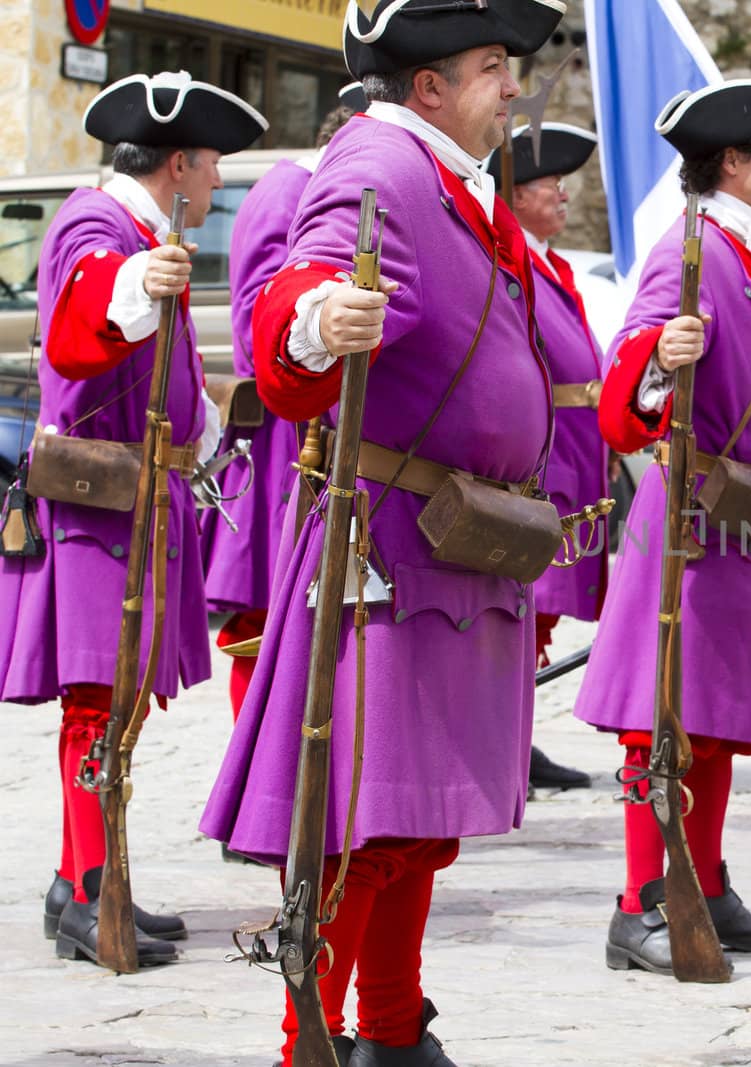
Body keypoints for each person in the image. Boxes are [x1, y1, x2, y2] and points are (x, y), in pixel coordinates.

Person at [200, 0, 565, 1060]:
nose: (512, 86)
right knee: (355, 827)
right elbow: (298, 295)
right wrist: (316, 321)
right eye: (493, 67)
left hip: (451, 541)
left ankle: (394, 1032)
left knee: (410, 826)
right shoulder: (379, 166)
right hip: (392, 546)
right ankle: (303, 1043)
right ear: (429, 87)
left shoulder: (444, 173)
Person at [574, 79, 751, 972]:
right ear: (733, 162)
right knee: (662, 719)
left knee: (717, 716)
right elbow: (623, 406)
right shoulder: (689, 251)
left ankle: (705, 882)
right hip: (694, 519)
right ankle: (642, 901)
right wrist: (658, 356)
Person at [0, 70, 264, 967]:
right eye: (213, 162)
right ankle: (87, 889)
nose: (219, 180)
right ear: (178, 161)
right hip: (97, 503)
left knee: (115, 703)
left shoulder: (145, 231)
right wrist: (132, 287)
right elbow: (78, 330)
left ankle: (85, 875)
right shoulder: (98, 225)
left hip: (136, 501)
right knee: (96, 703)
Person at [201, 89, 365, 726]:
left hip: (310, 440)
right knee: (268, 621)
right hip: (283, 446)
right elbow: (256, 333)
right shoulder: (287, 191)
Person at [485, 120, 606, 793]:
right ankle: (503, 741)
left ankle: (517, 739)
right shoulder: (512, 258)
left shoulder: (547, 259)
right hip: (544, 450)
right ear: (513, 192)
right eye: (548, 181)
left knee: (543, 610)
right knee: (525, 599)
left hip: (573, 449)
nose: (563, 193)